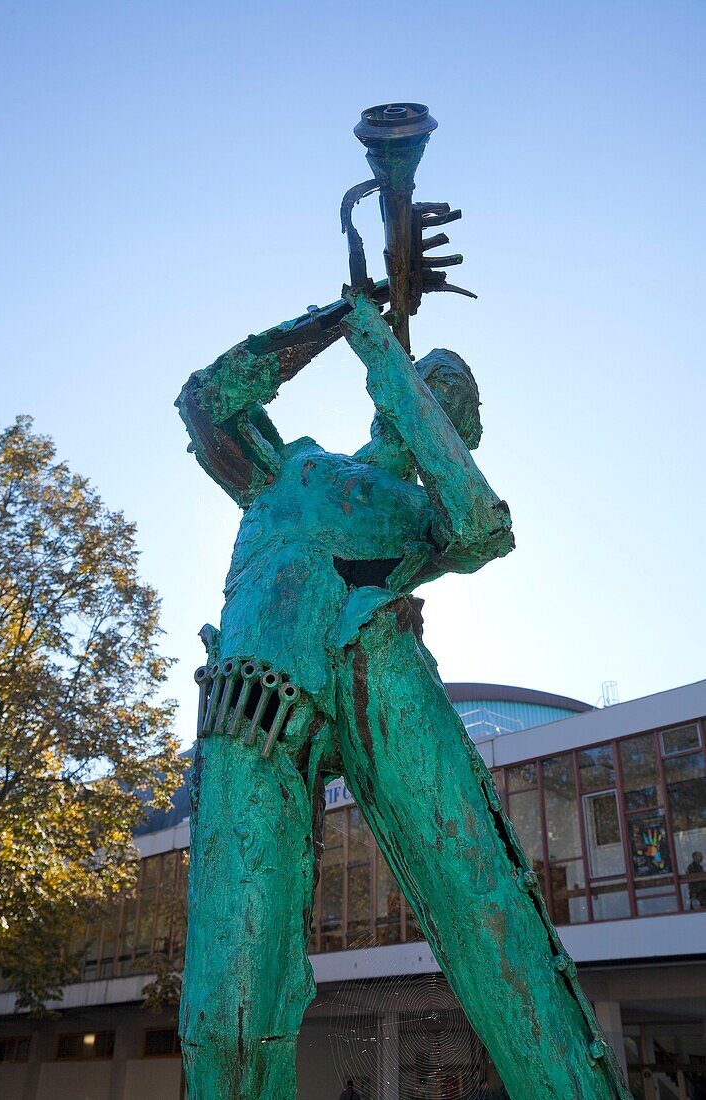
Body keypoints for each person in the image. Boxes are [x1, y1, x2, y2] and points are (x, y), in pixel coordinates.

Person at [176, 286, 630, 1095]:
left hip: (378, 669)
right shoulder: (294, 468)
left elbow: (480, 526)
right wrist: (341, 321)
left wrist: (391, 366)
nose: (431, 398)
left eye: (447, 399)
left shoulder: (426, 512)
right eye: (429, 383)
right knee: (229, 1003)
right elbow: (208, 401)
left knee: (489, 916)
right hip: (255, 696)